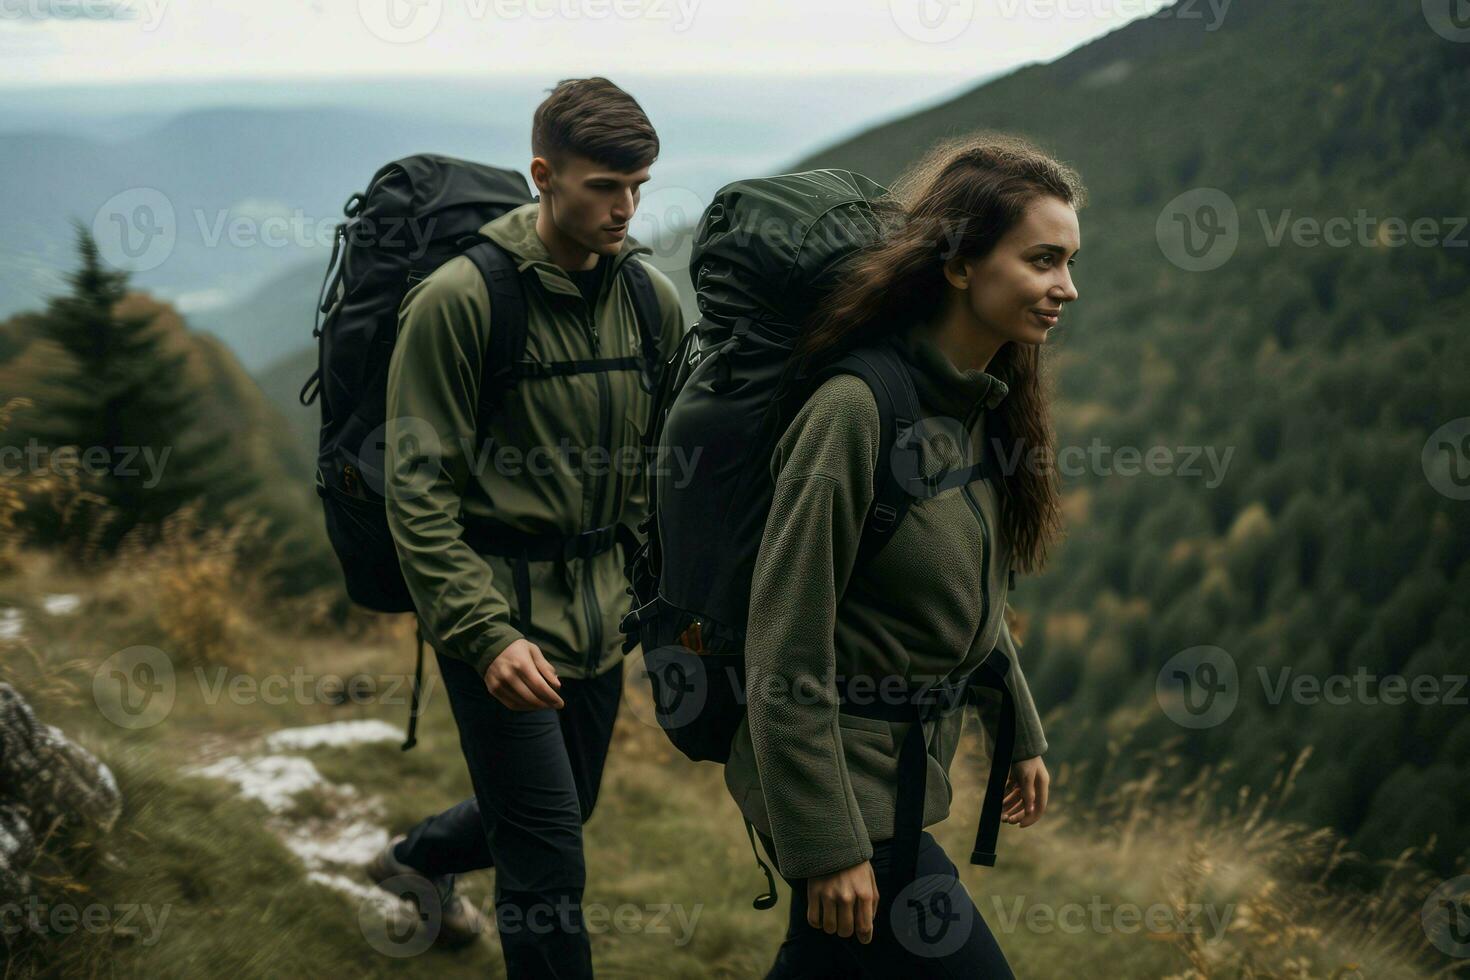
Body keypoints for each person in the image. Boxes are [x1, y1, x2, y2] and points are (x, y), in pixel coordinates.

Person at [724, 133, 1085, 977]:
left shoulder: (978, 407)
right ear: (960, 264)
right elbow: (783, 643)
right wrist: (825, 844)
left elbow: (964, 601)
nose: (1068, 288)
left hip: (896, 784)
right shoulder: (855, 413)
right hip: (839, 787)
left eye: (1068, 262)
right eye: (1042, 260)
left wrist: (1016, 729)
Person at [369, 77, 684, 977]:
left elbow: (659, 479)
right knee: (549, 866)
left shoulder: (651, 304)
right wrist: (483, 634)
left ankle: (417, 860)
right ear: (543, 175)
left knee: (561, 809)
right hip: (496, 622)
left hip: (601, 621)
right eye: (602, 187)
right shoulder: (461, 302)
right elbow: (416, 493)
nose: (625, 208)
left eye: (640, 187)